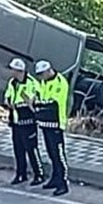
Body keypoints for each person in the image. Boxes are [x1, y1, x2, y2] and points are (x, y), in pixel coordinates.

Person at [3, 57, 45, 186]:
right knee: (18, 149)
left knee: (31, 148)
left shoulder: (32, 83)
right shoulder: (12, 82)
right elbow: (7, 96)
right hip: (16, 120)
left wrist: (27, 102)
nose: (11, 72)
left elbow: (35, 101)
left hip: (28, 121)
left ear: (19, 71)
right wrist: (8, 102)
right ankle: (21, 174)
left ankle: (39, 174)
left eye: (13, 70)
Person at [33, 59, 69, 196]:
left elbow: (52, 103)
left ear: (49, 71)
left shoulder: (60, 82)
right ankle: (55, 178)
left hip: (56, 123)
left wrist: (36, 104)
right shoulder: (44, 82)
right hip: (45, 122)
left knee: (58, 154)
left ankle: (63, 183)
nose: (40, 77)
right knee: (51, 153)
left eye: (42, 74)